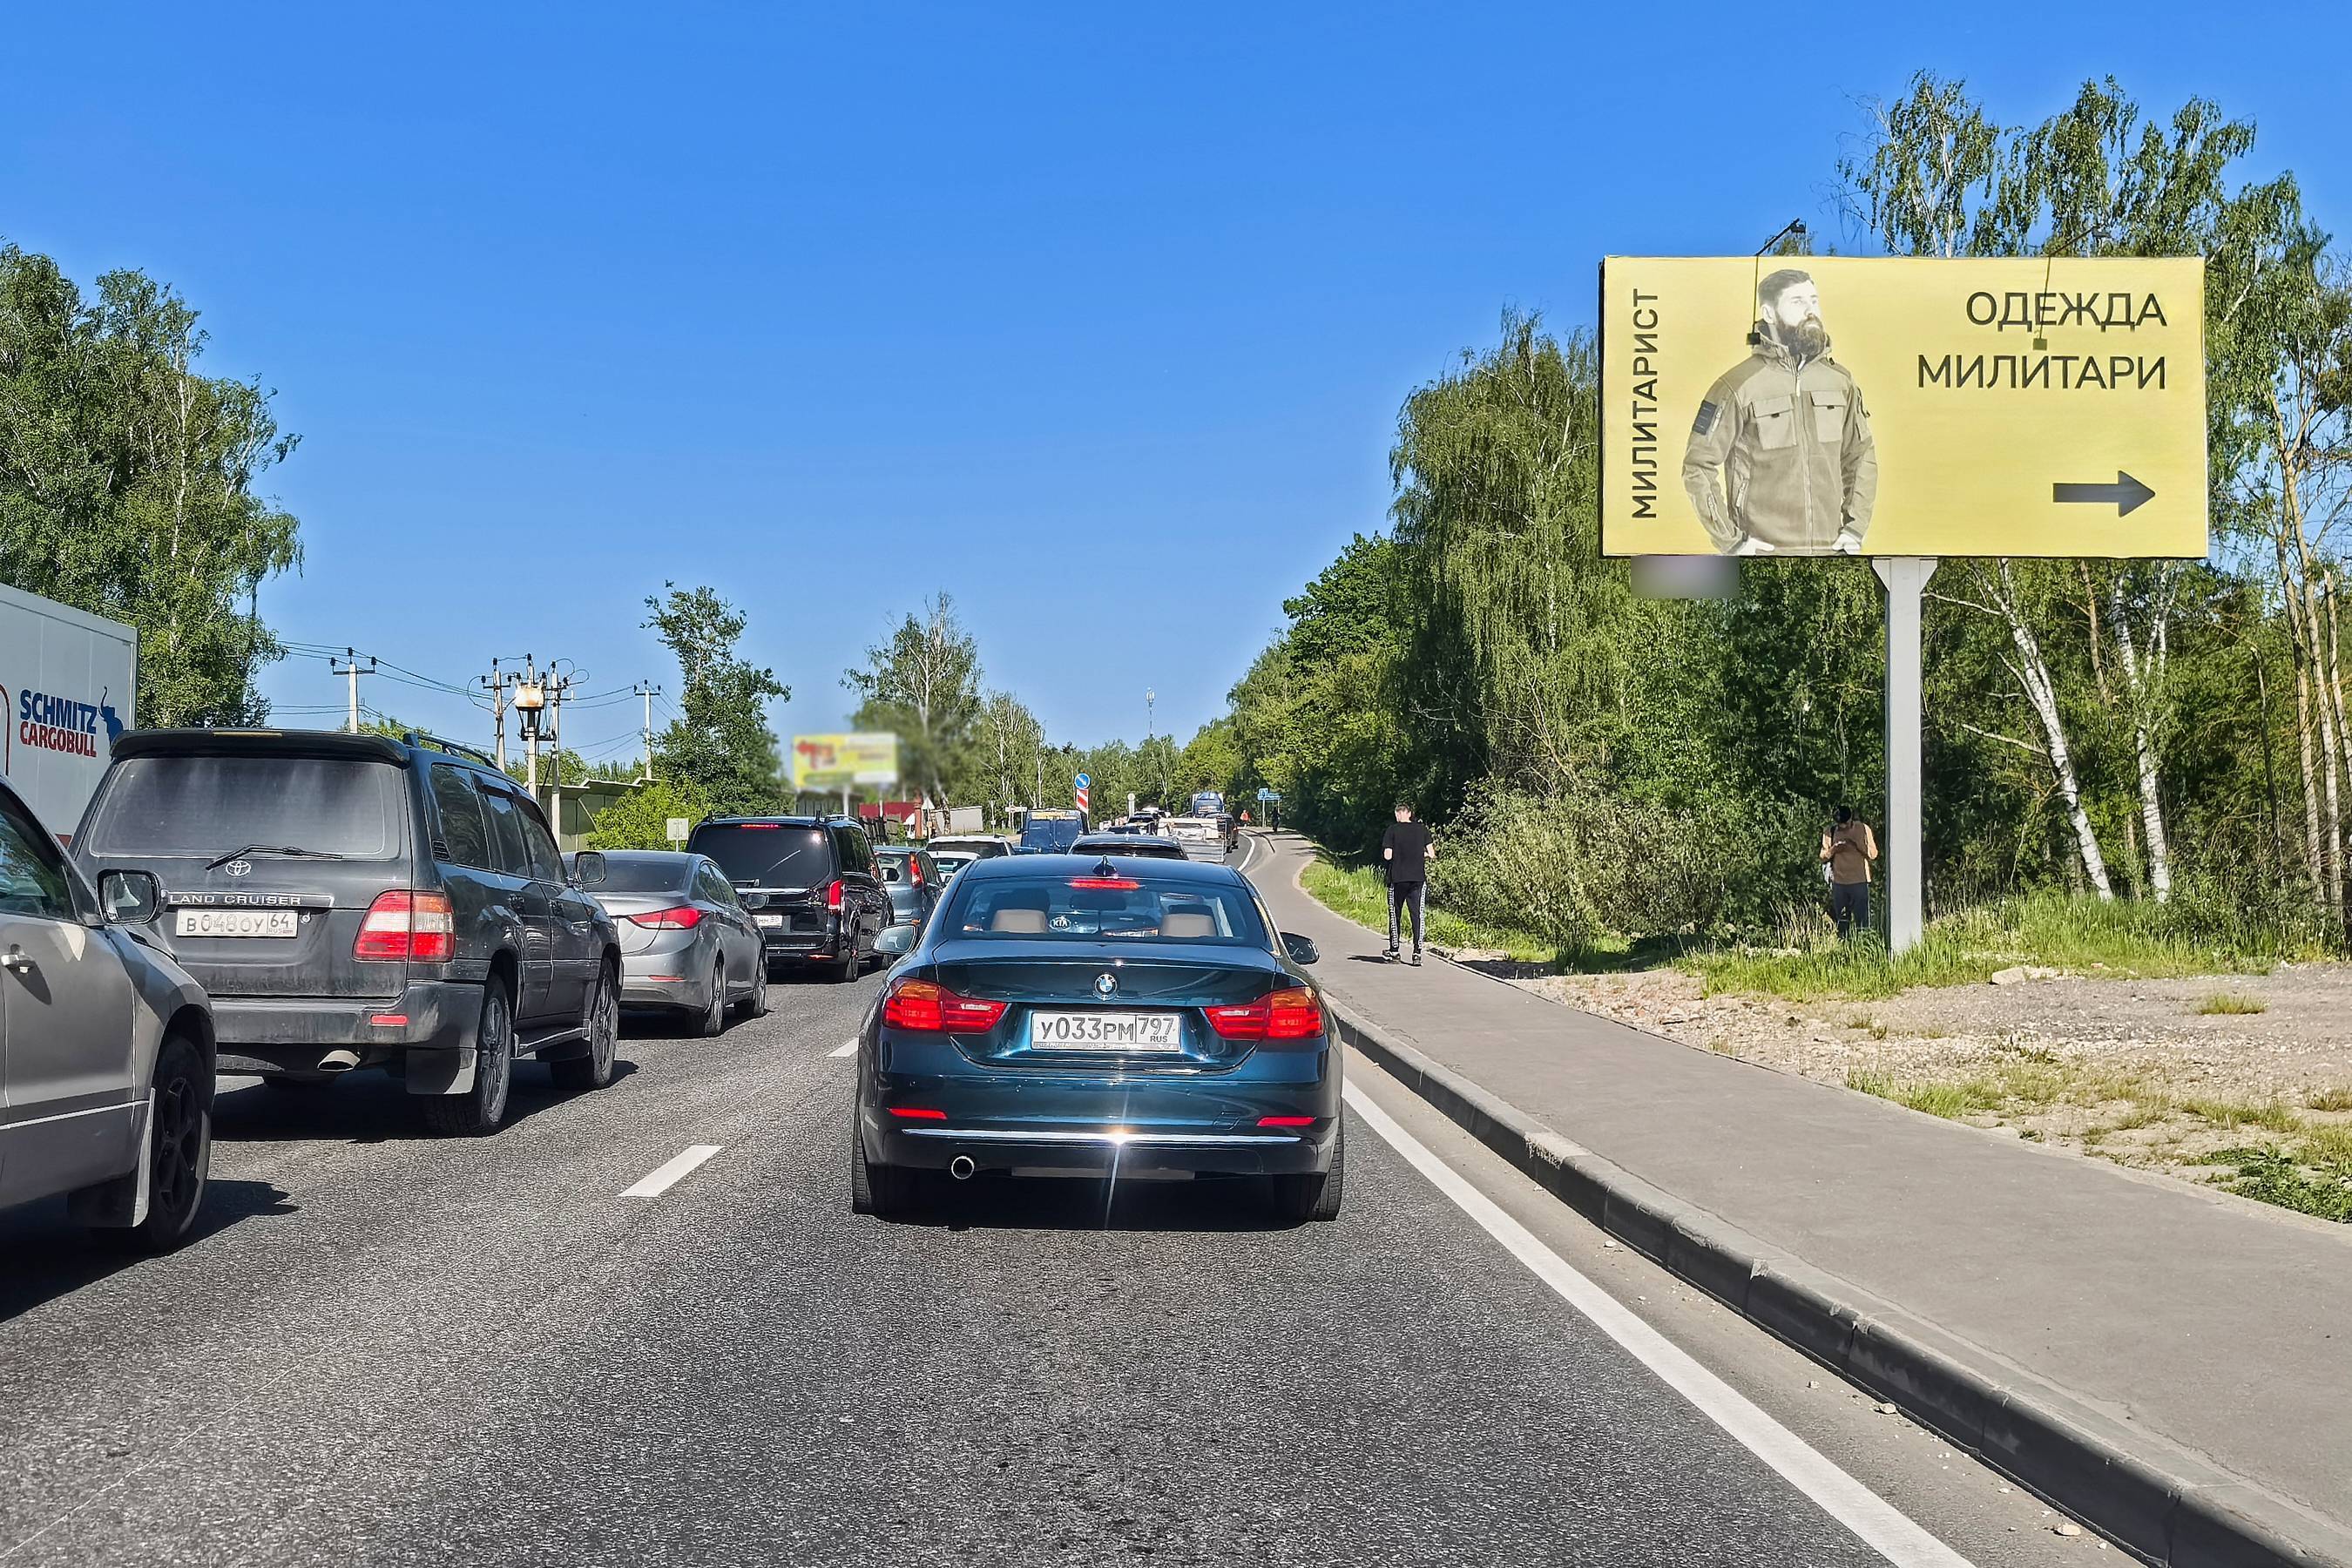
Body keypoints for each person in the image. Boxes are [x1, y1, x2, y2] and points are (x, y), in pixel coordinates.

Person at [1680, 267, 1878, 557]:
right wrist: (1732, 541)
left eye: (1814, 300)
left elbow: (1860, 454)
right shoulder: (1736, 386)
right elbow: (1698, 465)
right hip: (1762, 560)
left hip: (1830, 559)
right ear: (1769, 314)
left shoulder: (1840, 381)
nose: (1811, 310)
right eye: (1797, 302)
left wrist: (1854, 529)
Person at [1380, 802, 1434, 965]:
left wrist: (1400, 852)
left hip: (1398, 878)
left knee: (1395, 914)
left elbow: (1388, 855)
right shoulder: (1422, 829)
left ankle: (1395, 951)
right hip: (1417, 878)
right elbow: (1431, 854)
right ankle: (1417, 953)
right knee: (1417, 914)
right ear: (1409, 814)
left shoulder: (1392, 830)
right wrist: (1417, 854)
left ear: (1398, 814)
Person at [1821, 806, 1878, 940]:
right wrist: (1834, 849)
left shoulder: (1863, 829)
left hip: (1859, 881)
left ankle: (1864, 944)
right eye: (1840, 826)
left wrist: (1856, 846)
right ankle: (1844, 945)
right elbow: (1823, 856)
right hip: (1839, 883)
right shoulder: (1830, 831)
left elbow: (1873, 854)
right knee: (1842, 920)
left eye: (1846, 825)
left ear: (1851, 819)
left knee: (1862, 920)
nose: (1844, 828)